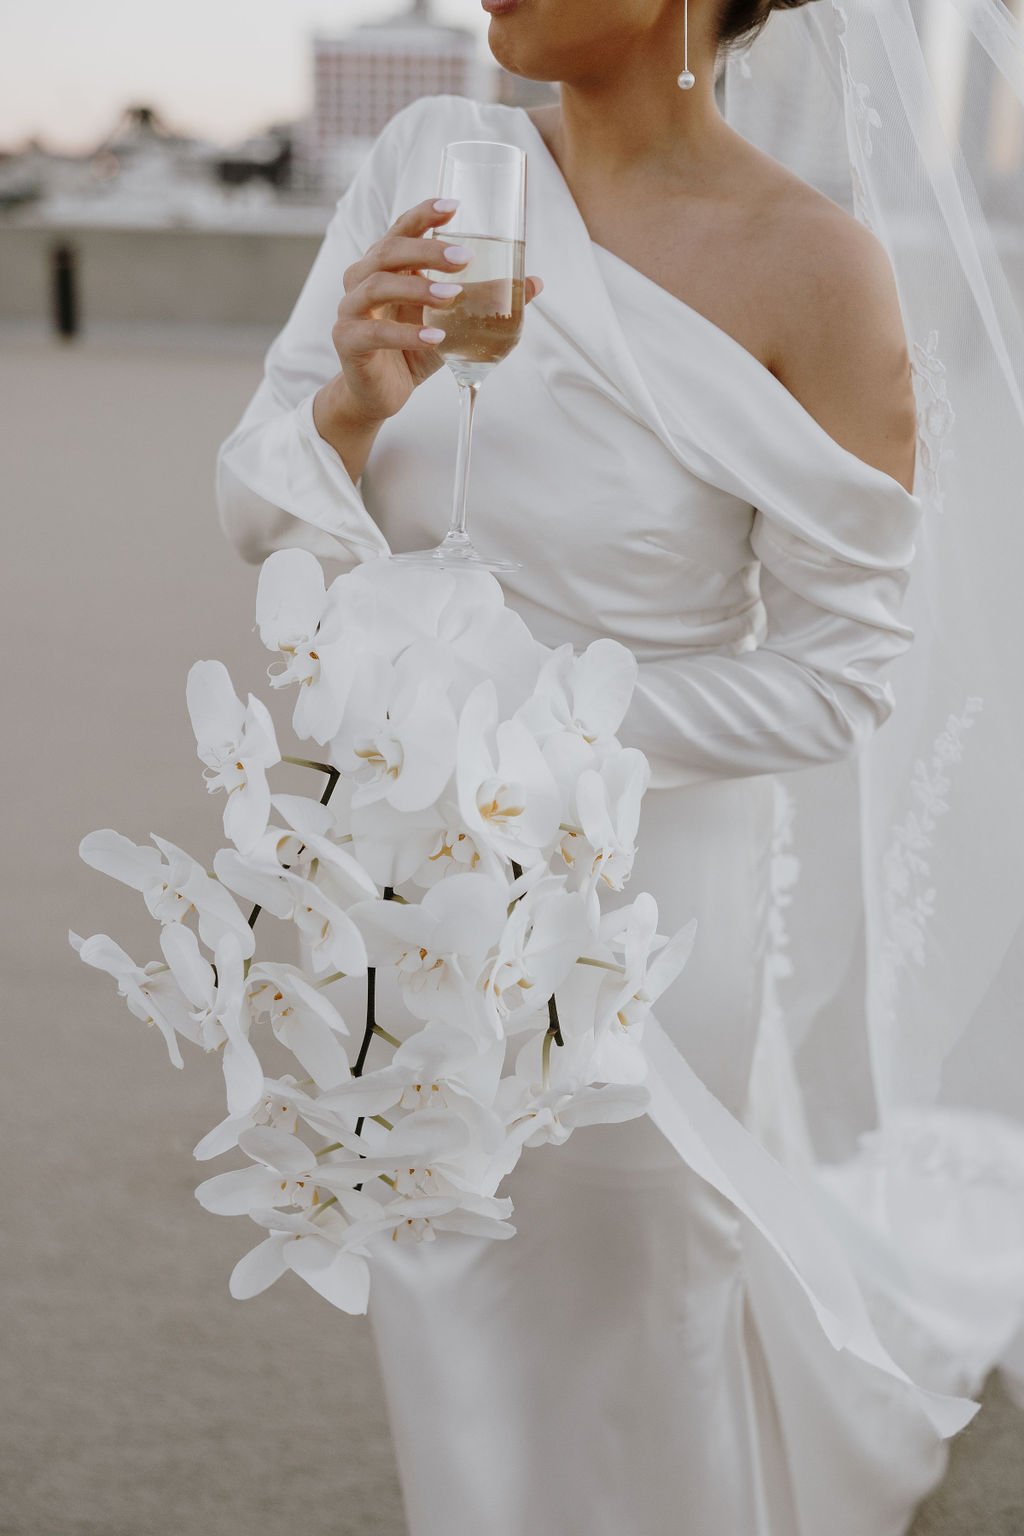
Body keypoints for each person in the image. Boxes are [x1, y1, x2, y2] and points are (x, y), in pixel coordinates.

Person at [214, 2, 1000, 1531]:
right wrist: (349, 405)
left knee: (637, 1312)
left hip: (647, 911)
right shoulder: (430, 165)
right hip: (407, 874)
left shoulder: (817, 267)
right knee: (446, 1292)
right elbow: (263, 508)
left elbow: (841, 681)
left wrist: (537, 720)